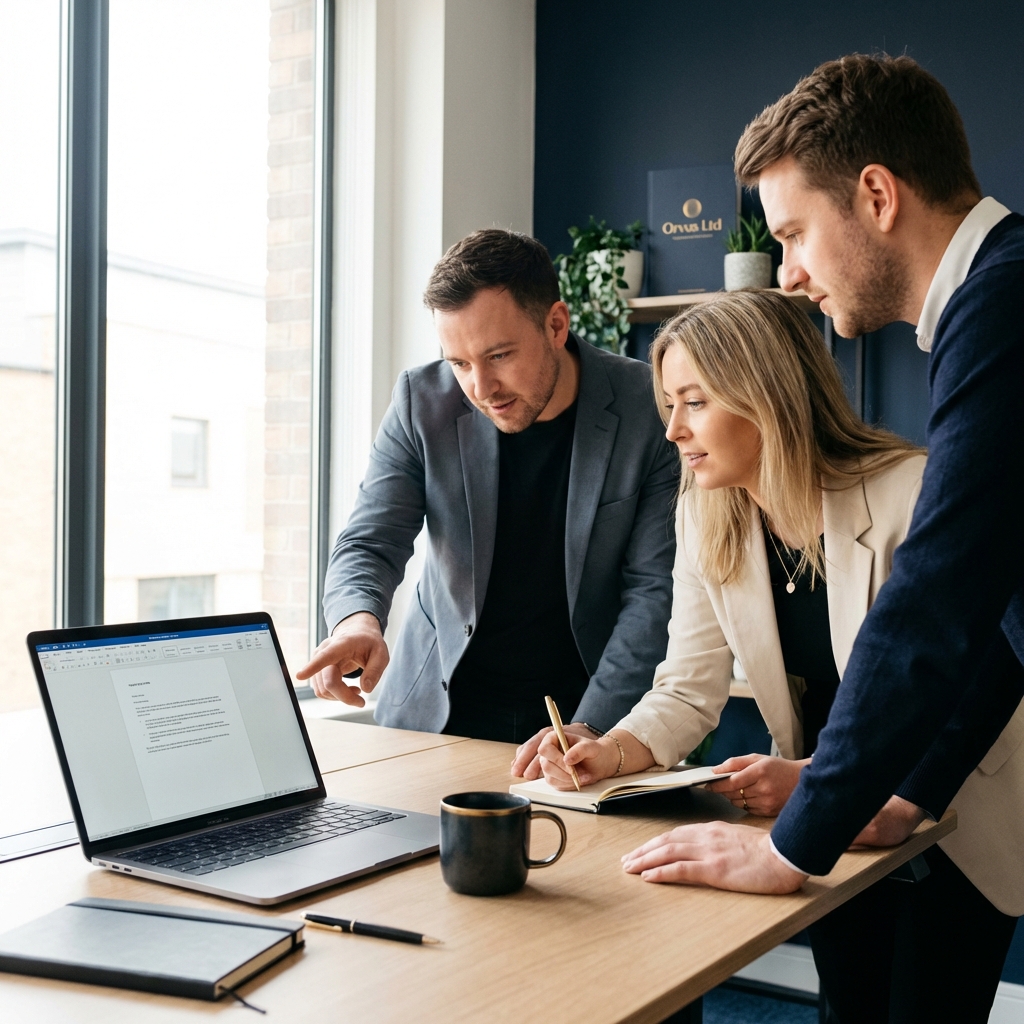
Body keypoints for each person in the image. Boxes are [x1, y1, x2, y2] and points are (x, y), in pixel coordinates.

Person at [538, 289, 1024, 1022]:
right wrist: (612, 749)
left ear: (764, 395)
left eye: (693, 402)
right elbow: (685, 685)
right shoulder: (706, 515)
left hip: (951, 806)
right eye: (668, 404)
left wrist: (833, 781)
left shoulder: (913, 491)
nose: (671, 430)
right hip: (823, 814)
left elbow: (964, 681)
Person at [611, 54, 1024, 902]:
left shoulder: (1002, 307)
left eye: (794, 234)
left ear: (877, 196)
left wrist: (789, 850)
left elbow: (936, 608)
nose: (789, 273)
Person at [295, 228, 678, 748]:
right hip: (436, 715)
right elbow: (370, 541)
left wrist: (592, 730)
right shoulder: (420, 401)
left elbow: (653, 592)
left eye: (498, 356)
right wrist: (356, 624)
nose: (480, 388)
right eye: (459, 363)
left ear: (556, 324)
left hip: (587, 716)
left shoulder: (646, 405)